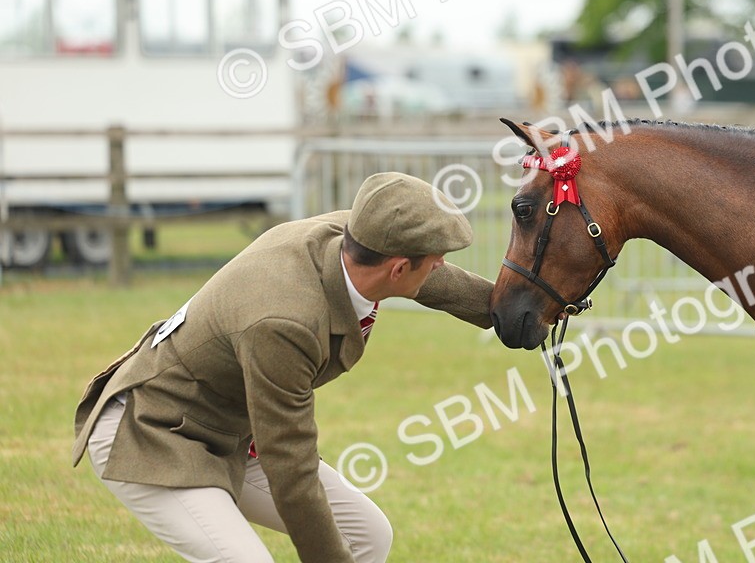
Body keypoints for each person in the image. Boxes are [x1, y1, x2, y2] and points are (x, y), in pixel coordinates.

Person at [71, 172, 494, 562]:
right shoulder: (284, 322)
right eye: (436, 258)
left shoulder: (354, 237)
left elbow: (432, 277)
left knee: (367, 535)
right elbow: (290, 468)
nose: (441, 264)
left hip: (228, 429)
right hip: (151, 433)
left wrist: (513, 311)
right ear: (398, 268)